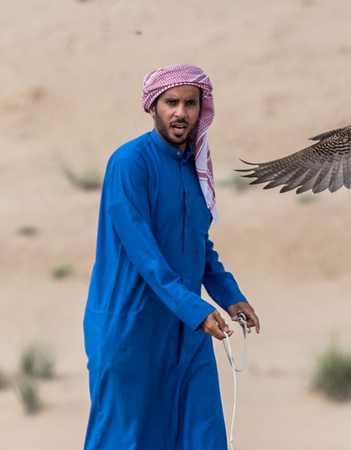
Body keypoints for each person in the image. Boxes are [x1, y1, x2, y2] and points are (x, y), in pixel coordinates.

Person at [82, 63, 260, 450]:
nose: (181, 112)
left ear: (201, 109)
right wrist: (197, 310)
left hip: (187, 329)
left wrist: (229, 295)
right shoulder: (130, 163)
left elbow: (199, 245)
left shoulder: (194, 168)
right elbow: (146, 254)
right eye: (171, 102)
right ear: (153, 107)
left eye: (190, 104)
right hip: (131, 325)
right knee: (126, 440)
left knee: (203, 437)